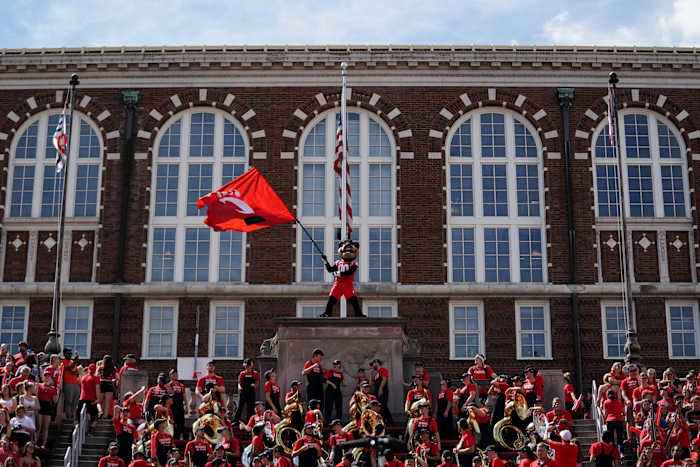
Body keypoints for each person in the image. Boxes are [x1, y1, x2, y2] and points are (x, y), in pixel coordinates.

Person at [36, 369, 56, 449]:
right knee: (39, 426)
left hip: (48, 406)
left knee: (46, 427)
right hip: (40, 404)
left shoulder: (53, 388)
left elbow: (55, 400)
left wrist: (57, 392)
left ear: (50, 378)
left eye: (48, 376)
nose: (47, 378)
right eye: (45, 376)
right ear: (43, 377)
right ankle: (36, 443)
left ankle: (43, 444)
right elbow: (36, 395)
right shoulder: (39, 385)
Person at [78, 363, 101, 432]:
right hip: (91, 399)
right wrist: (98, 399)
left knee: (82, 415)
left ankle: (82, 430)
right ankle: (90, 430)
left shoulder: (83, 377)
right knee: (95, 417)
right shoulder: (96, 378)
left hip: (82, 399)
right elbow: (97, 389)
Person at [234, 359, 258, 424]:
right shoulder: (242, 373)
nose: (247, 367)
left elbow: (257, 383)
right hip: (243, 391)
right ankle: (236, 420)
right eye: (246, 366)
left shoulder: (254, 373)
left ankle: (249, 422)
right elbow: (239, 382)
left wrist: (254, 385)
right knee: (240, 406)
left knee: (250, 407)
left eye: (248, 365)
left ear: (251, 366)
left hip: (251, 391)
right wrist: (239, 387)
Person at [371, 358, 393, 425]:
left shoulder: (383, 370)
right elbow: (372, 383)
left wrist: (380, 388)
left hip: (382, 391)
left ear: (377, 363)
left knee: (382, 406)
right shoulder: (376, 373)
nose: (372, 366)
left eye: (373, 364)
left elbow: (384, 379)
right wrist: (371, 375)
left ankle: (387, 421)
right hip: (377, 392)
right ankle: (389, 421)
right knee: (381, 406)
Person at [59, 348, 80, 422]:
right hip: (68, 383)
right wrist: (75, 361)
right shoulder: (63, 362)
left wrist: (73, 371)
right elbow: (69, 368)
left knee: (75, 401)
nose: (70, 355)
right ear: (64, 354)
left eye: (71, 353)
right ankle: (68, 417)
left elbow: (76, 373)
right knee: (69, 401)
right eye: (68, 353)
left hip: (76, 383)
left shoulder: (72, 361)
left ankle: (72, 416)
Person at [166, 369, 187, 439]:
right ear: (170, 376)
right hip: (172, 407)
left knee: (181, 424)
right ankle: (173, 438)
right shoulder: (168, 385)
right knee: (173, 424)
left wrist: (186, 406)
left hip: (180, 407)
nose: (175, 376)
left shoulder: (181, 385)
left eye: (176, 374)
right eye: (173, 374)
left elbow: (184, 396)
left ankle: (180, 438)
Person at [602, 389, 625, 454]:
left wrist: (604, 421)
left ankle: (612, 453)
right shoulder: (619, 402)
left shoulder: (606, 402)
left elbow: (605, 414)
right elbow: (624, 412)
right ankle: (621, 453)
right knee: (620, 439)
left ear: (607, 395)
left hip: (610, 421)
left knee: (611, 439)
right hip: (618, 420)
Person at [98, 355, 116, 420]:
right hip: (109, 383)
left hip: (102, 383)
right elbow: (117, 377)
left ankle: (100, 412)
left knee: (99, 401)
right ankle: (105, 416)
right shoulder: (113, 368)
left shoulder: (100, 368)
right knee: (107, 402)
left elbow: (96, 375)